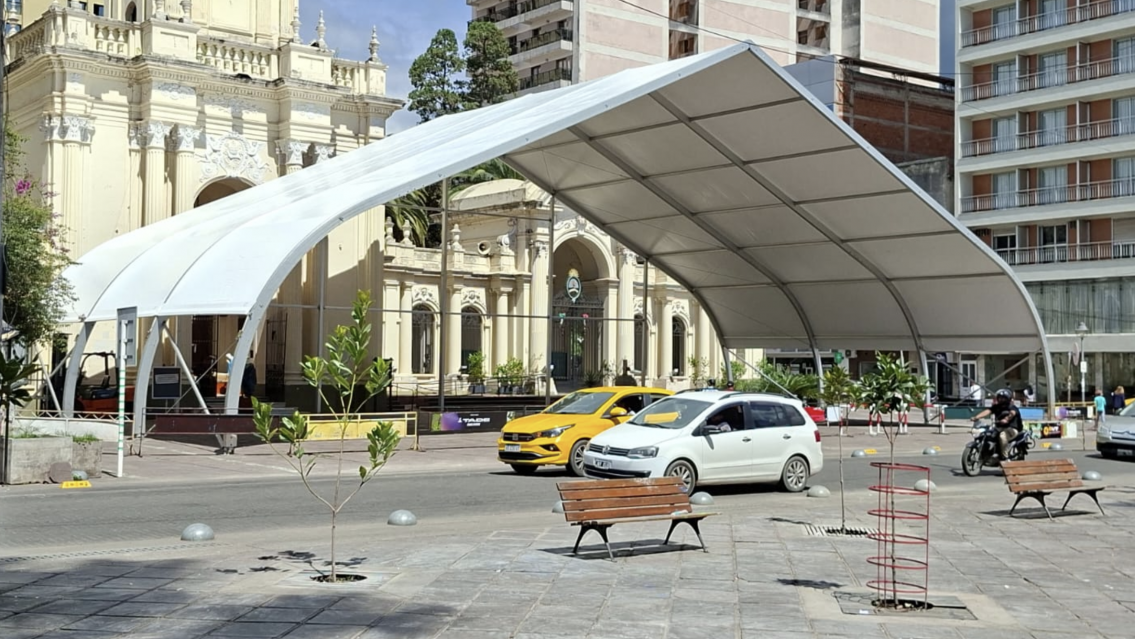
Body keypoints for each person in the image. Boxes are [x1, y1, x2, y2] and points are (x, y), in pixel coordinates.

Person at [971, 389, 1023, 460]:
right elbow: (988, 411)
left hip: (1012, 429)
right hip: (999, 428)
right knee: (987, 435)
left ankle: (1005, 456)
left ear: (1007, 399)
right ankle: (988, 453)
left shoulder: (1011, 407)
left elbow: (1012, 413)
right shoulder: (997, 407)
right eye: (1000, 397)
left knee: (1002, 436)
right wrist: (976, 417)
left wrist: (1006, 419)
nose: (1001, 399)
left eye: (1003, 398)